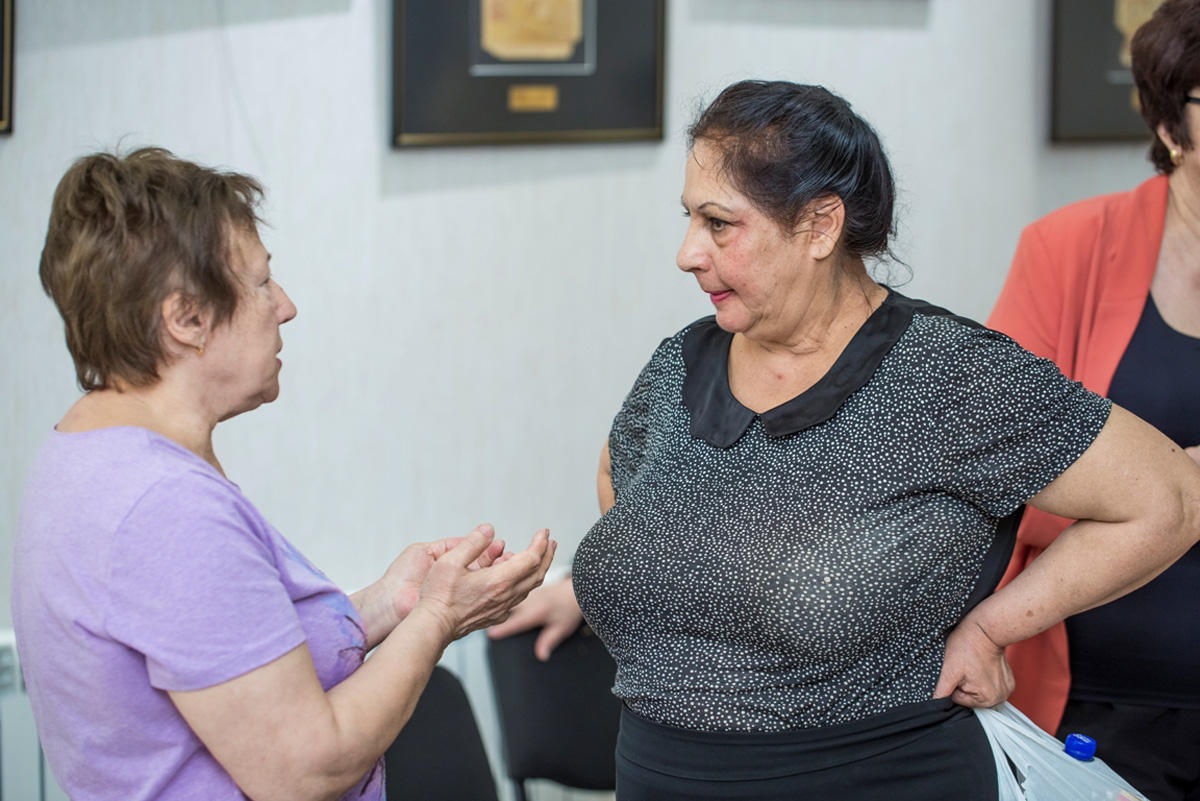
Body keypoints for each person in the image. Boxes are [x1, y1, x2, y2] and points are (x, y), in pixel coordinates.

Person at [502, 80, 1200, 799]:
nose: (686, 253)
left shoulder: (947, 375)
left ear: (820, 226)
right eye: (689, 219)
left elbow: (1168, 499)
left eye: (718, 224)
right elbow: (623, 483)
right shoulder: (677, 364)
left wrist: (993, 627)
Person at [11, 147, 556, 801]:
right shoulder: (163, 509)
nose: (287, 305)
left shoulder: (87, 449)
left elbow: (228, 658)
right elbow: (307, 768)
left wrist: (390, 602)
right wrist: (436, 618)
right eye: (263, 283)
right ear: (186, 318)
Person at [987, 2, 1200, 796]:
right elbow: (996, 479)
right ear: (1171, 127)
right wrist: (1177, 488)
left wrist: (1136, 491)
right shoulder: (1066, 251)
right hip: (1091, 717)